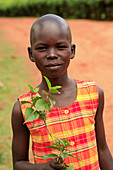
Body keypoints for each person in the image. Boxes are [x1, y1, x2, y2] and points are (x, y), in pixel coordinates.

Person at [11, 14, 113, 170]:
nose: (52, 54)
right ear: (31, 54)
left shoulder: (93, 93)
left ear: (72, 51)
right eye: (42, 48)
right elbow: (18, 163)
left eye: (60, 47)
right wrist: (43, 167)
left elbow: (103, 150)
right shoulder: (24, 108)